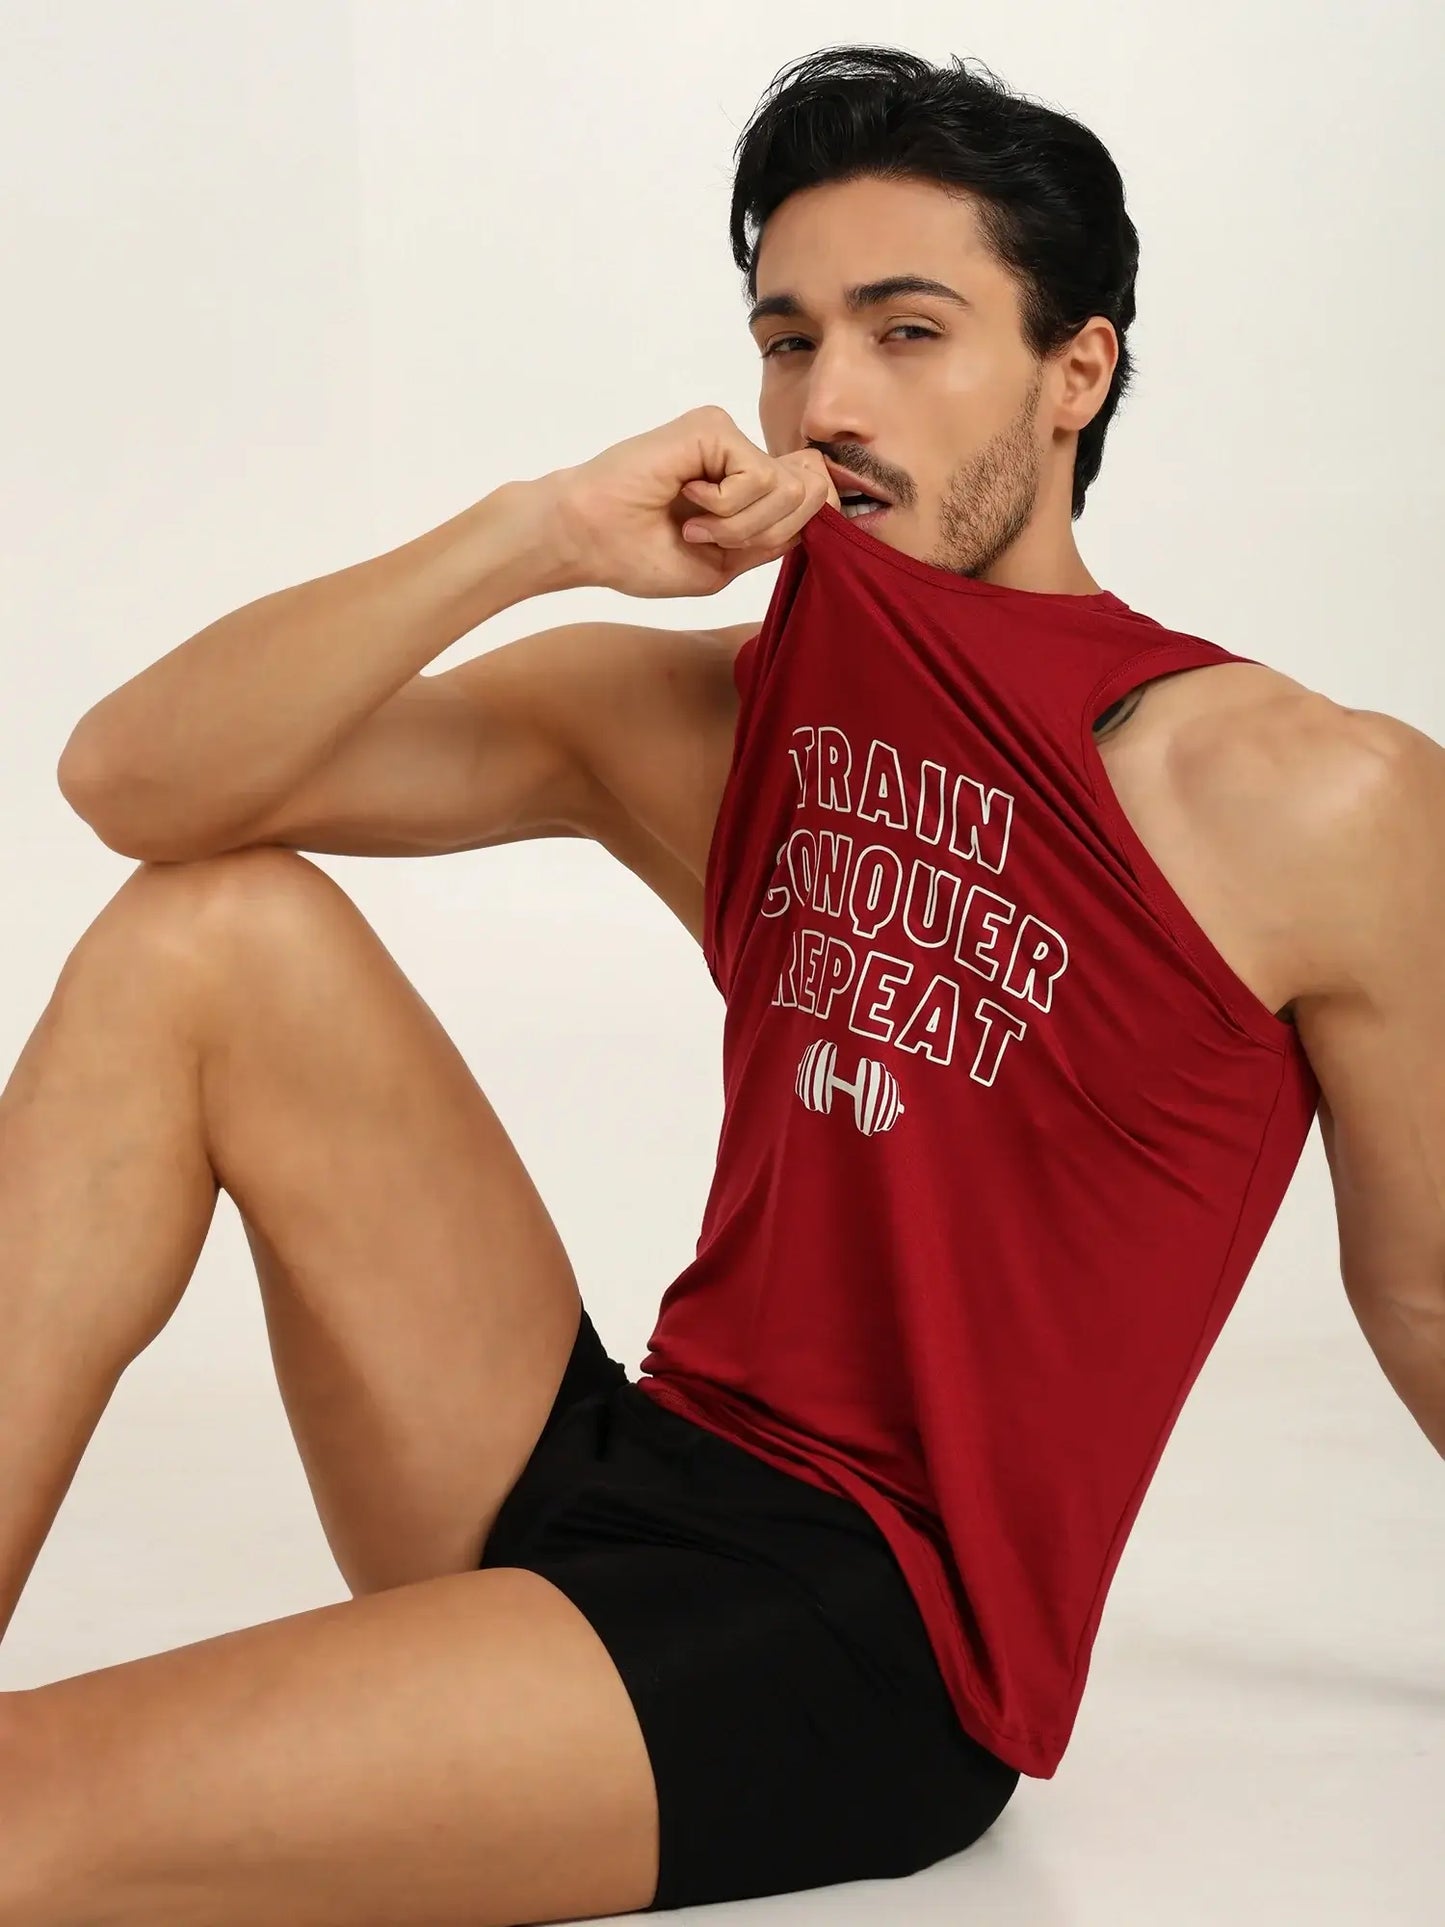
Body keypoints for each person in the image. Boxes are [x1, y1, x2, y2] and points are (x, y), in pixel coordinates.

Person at [3, 41, 1442, 1927]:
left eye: (907, 332)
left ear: (1075, 368)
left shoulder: (1316, 792)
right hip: (611, 1464)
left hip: (858, 1635)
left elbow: (1421, 1286)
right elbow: (138, 783)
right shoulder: (709, 708)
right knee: (214, 929)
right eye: (787, 337)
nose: (825, 399)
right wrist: (531, 538)